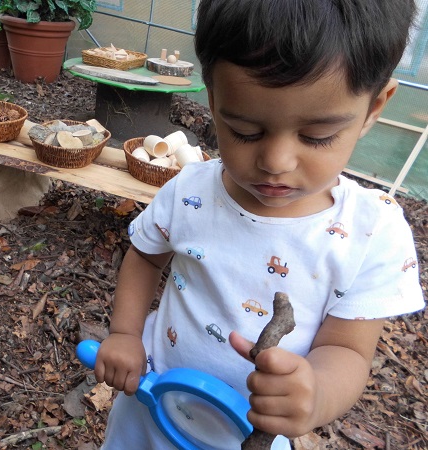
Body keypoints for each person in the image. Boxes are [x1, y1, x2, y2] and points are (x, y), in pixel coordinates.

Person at [92, 1, 425, 449]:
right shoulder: (190, 191)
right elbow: (145, 258)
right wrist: (125, 334)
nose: (275, 162)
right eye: (245, 130)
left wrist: (316, 394)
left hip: (248, 434)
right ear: (214, 100)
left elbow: (347, 350)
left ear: (374, 106)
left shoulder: (371, 232)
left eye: (317, 136)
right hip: (151, 405)